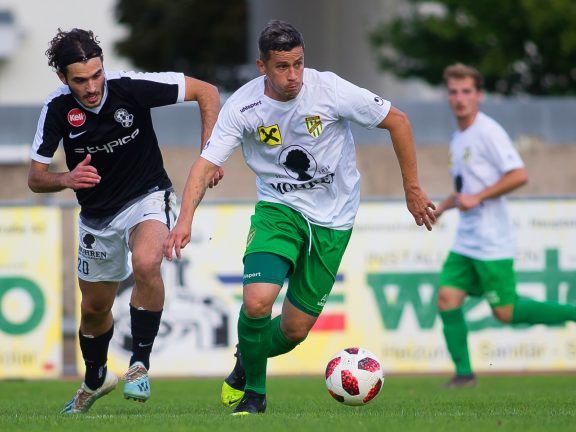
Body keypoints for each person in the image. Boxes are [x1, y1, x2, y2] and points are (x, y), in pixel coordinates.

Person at [163, 20, 436, 415]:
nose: (293, 76)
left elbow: (399, 121)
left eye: (298, 64)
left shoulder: (330, 90)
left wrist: (412, 189)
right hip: (279, 210)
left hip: (334, 219)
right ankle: (255, 395)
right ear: (262, 67)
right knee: (257, 302)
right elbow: (204, 166)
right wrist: (184, 220)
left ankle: (247, 359)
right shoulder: (243, 107)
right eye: (282, 67)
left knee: (293, 330)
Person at [28, 28, 221, 414]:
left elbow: (207, 92)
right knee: (94, 309)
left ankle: (139, 365)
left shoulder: (131, 88)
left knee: (147, 262)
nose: (92, 87)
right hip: (97, 217)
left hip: (147, 196)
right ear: (63, 78)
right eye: (80, 80)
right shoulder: (56, 109)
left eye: (97, 75)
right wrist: (66, 178)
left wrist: (209, 154)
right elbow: (36, 178)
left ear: (104, 67)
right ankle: (95, 378)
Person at [435, 63, 576, 388]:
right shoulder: (458, 138)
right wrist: (442, 207)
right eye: (454, 92)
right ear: (447, 96)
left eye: (467, 91)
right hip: (466, 240)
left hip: (491, 241)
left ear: (479, 95)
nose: (460, 98)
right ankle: (464, 375)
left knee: (506, 312)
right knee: (447, 298)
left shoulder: (488, 131)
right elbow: (466, 189)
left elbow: (519, 174)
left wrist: (480, 197)